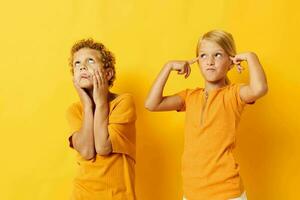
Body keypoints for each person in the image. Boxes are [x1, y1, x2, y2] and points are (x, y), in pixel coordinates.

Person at [145, 30, 268, 200]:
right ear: (197, 61)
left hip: (226, 193)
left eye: (217, 55)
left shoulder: (233, 94)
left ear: (231, 62)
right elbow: (151, 104)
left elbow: (259, 89)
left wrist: (250, 56)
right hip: (192, 193)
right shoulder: (189, 96)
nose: (210, 62)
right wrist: (168, 67)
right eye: (203, 56)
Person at [66, 38, 137, 200]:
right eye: (77, 64)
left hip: (118, 195)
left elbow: (103, 146)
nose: (82, 66)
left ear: (108, 73)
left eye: (90, 61)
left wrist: (100, 102)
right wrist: (87, 106)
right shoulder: (75, 110)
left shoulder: (123, 102)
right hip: (82, 194)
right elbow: (87, 151)